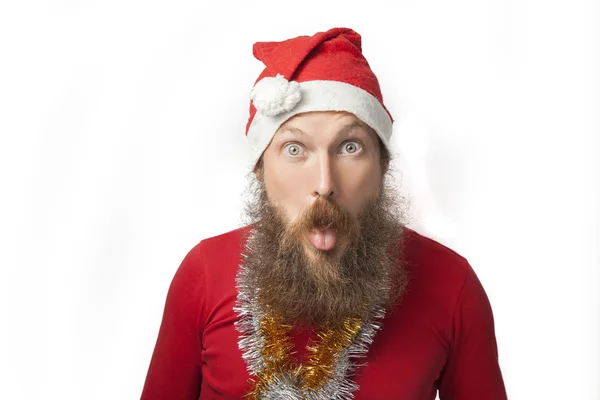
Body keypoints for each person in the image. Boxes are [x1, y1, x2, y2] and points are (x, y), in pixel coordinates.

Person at [139, 27, 508, 399]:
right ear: (260, 169)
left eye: (350, 147)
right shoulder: (203, 272)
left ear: (382, 163)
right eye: (295, 149)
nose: (325, 183)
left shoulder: (452, 284)